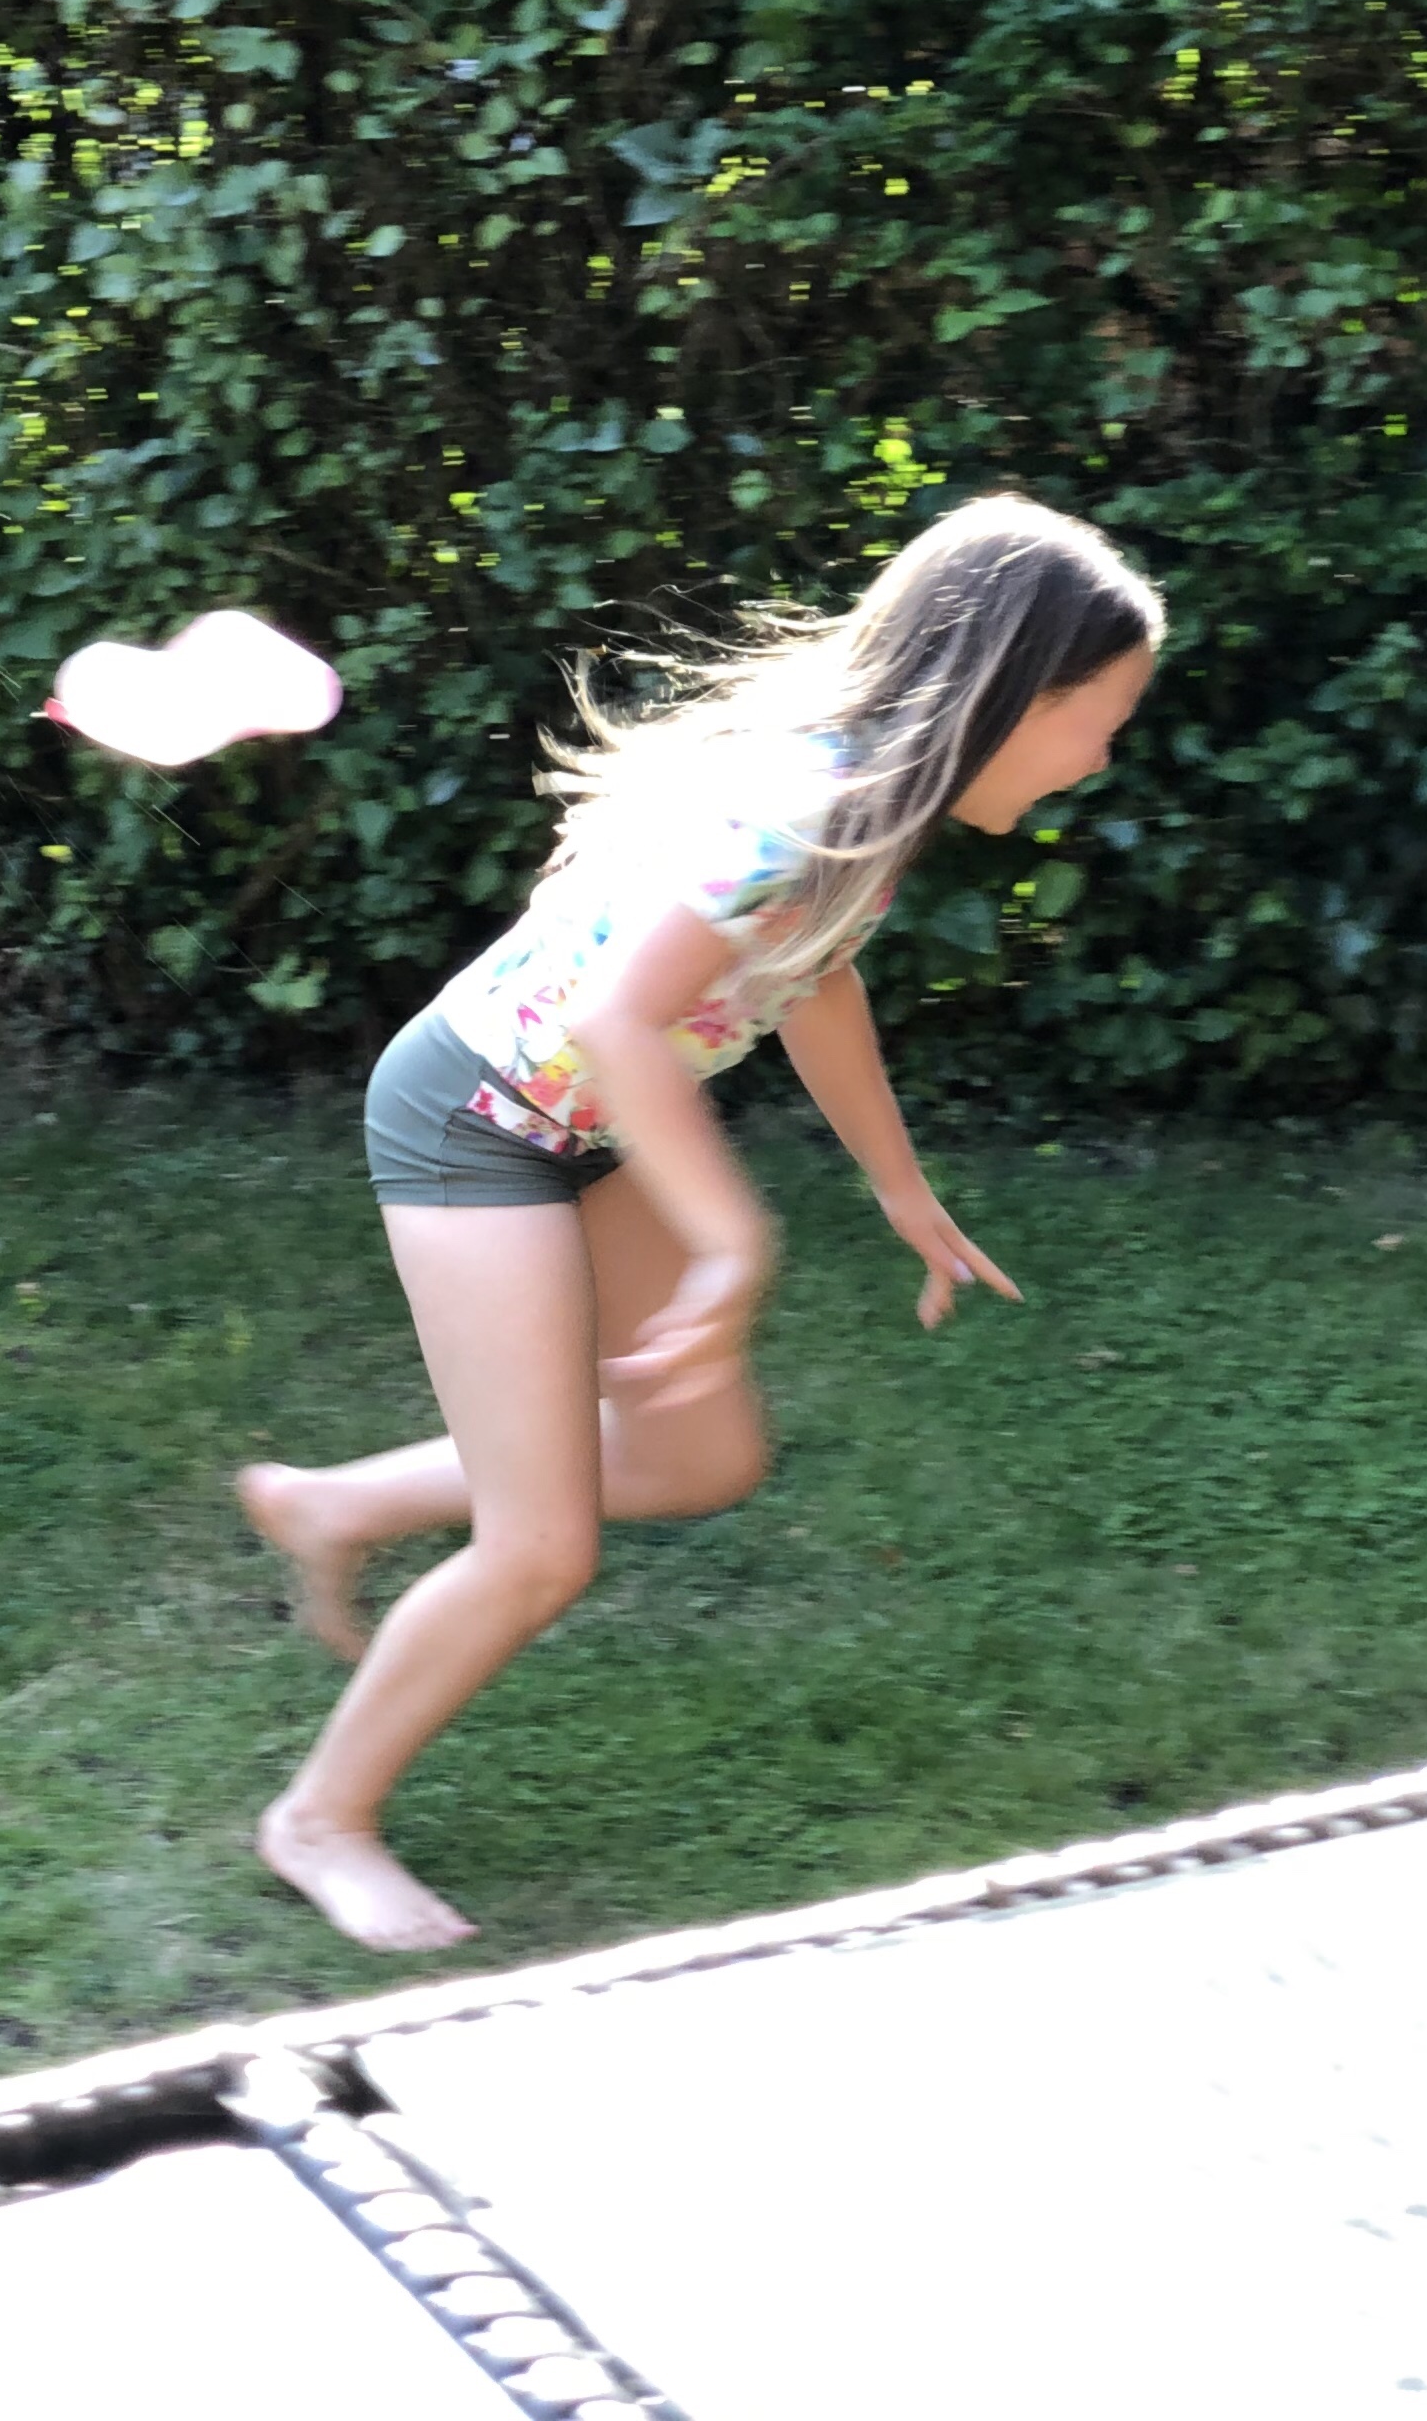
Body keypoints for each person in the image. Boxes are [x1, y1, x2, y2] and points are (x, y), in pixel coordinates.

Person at [237, 496, 1162, 1948]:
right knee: (543, 1550)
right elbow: (620, 1021)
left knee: (699, 1455)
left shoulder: (870, 805)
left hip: (579, 1122)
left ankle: (337, 1504)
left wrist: (898, 1183)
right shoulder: (800, 811)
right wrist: (736, 1241)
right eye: (1098, 722)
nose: (1100, 759)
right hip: (476, 1120)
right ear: (1015, 694)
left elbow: (815, 979)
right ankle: (318, 1818)